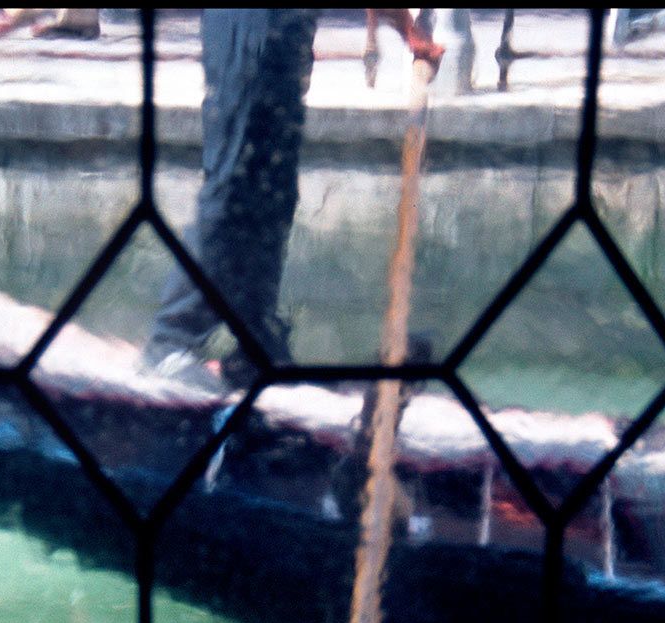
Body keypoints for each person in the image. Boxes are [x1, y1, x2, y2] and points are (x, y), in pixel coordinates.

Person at [142, 10, 441, 392]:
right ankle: (170, 340)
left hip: (289, 27)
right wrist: (407, 29)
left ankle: (254, 339)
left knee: (274, 189)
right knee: (233, 181)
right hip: (249, 21)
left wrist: (409, 32)